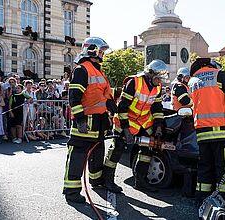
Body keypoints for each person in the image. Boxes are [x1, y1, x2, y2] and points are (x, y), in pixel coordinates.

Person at [63, 37, 117, 203]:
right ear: (92, 50)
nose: (103, 54)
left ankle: (96, 180)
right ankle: (71, 192)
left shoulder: (99, 71)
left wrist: (113, 108)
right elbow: (74, 97)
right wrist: (79, 120)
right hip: (85, 124)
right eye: (101, 51)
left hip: (98, 125)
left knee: (97, 155)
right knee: (78, 158)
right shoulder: (82, 70)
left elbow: (104, 96)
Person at [103, 59, 168, 193]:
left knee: (147, 149)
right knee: (117, 149)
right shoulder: (134, 82)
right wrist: (126, 130)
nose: (160, 81)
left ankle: (141, 182)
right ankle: (107, 180)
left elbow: (157, 107)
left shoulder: (158, 87)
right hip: (125, 121)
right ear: (150, 74)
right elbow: (122, 107)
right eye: (158, 78)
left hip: (144, 122)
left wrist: (159, 126)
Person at [188, 58, 225, 211]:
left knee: (204, 167)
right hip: (222, 131)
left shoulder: (193, 81)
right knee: (224, 168)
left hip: (202, 133)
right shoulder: (220, 75)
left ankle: (201, 200)